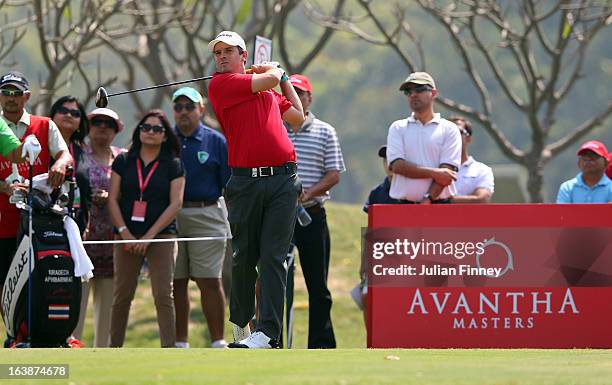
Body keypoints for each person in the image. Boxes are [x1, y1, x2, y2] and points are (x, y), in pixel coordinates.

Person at [207, 30, 304, 348]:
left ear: (243, 56)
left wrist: (283, 76)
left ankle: (269, 333)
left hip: (283, 181)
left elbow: (298, 118)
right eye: (217, 52)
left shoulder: (267, 91)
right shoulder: (222, 85)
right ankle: (241, 327)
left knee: (275, 258)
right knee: (244, 257)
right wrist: (272, 71)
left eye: (228, 51)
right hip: (245, 182)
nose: (221, 57)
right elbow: (269, 78)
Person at [107, 110, 185, 347]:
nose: (150, 132)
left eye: (157, 129)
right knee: (122, 296)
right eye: (146, 127)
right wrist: (125, 233)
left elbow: (176, 204)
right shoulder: (123, 160)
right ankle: (114, 349)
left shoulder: (173, 164)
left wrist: (149, 237)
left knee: (163, 295)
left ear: (165, 136)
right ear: (138, 131)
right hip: (126, 236)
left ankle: (168, 349)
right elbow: (112, 199)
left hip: (161, 236)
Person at [0, 70, 72, 300]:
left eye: (16, 93)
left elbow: (65, 155)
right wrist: (5, 188)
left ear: (27, 96)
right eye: (5, 92)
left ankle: (25, 337)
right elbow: (15, 155)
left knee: (37, 288)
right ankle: (12, 336)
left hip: (38, 221)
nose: (10, 97)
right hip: (3, 221)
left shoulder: (44, 125)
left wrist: (60, 165)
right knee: (4, 291)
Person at [285, 74, 345, 349]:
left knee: (317, 286)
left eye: (301, 93)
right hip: (279, 216)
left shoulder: (325, 130)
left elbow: (334, 174)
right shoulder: (275, 127)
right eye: (291, 93)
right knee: (275, 282)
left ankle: (321, 346)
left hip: (312, 214)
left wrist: (308, 193)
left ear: (309, 98)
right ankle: (273, 340)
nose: (295, 97)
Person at [171, 87, 231, 349]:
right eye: (178, 107)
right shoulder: (164, 139)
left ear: (201, 110)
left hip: (207, 212)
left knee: (209, 279)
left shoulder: (216, 141)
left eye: (189, 106)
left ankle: (218, 340)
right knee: (176, 281)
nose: (183, 112)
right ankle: (180, 341)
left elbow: (228, 184)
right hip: (170, 217)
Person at [72, 108, 125, 348]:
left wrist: (116, 195)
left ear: (116, 130)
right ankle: (72, 347)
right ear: (87, 127)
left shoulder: (123, 158)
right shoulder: (77, 156)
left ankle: (103, 354)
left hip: (112, 243)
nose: (102, 127)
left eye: (109, 124)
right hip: (82, 242)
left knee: (108, 308)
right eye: (97, 122)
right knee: (77, 305)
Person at [386, 72, 461, 204]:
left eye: (419, 89)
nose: (413, 94)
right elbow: (398, 166)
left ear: (433, 93)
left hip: (439, 205)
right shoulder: (398, 127)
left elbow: (447, 173)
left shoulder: (449, 129)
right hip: (403, 206)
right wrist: (435, 173)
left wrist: (429, 198)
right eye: (408, 91)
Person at [49, 95, 90, 232]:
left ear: (80, 123)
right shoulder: (38, 147)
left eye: (75, 113)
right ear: (52, 116)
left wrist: (85, 224)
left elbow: (85, 194)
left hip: (75, 225)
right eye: (62, 110)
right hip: (43, 222)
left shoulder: (82, 154)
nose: (68, 115)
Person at [447, 116, 494, 203]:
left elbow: (481, 200)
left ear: (469, 138)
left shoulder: (482, 170)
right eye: (449, 132)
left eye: (459, 131)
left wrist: (445, 201)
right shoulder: (434, 167)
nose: (453, 136)